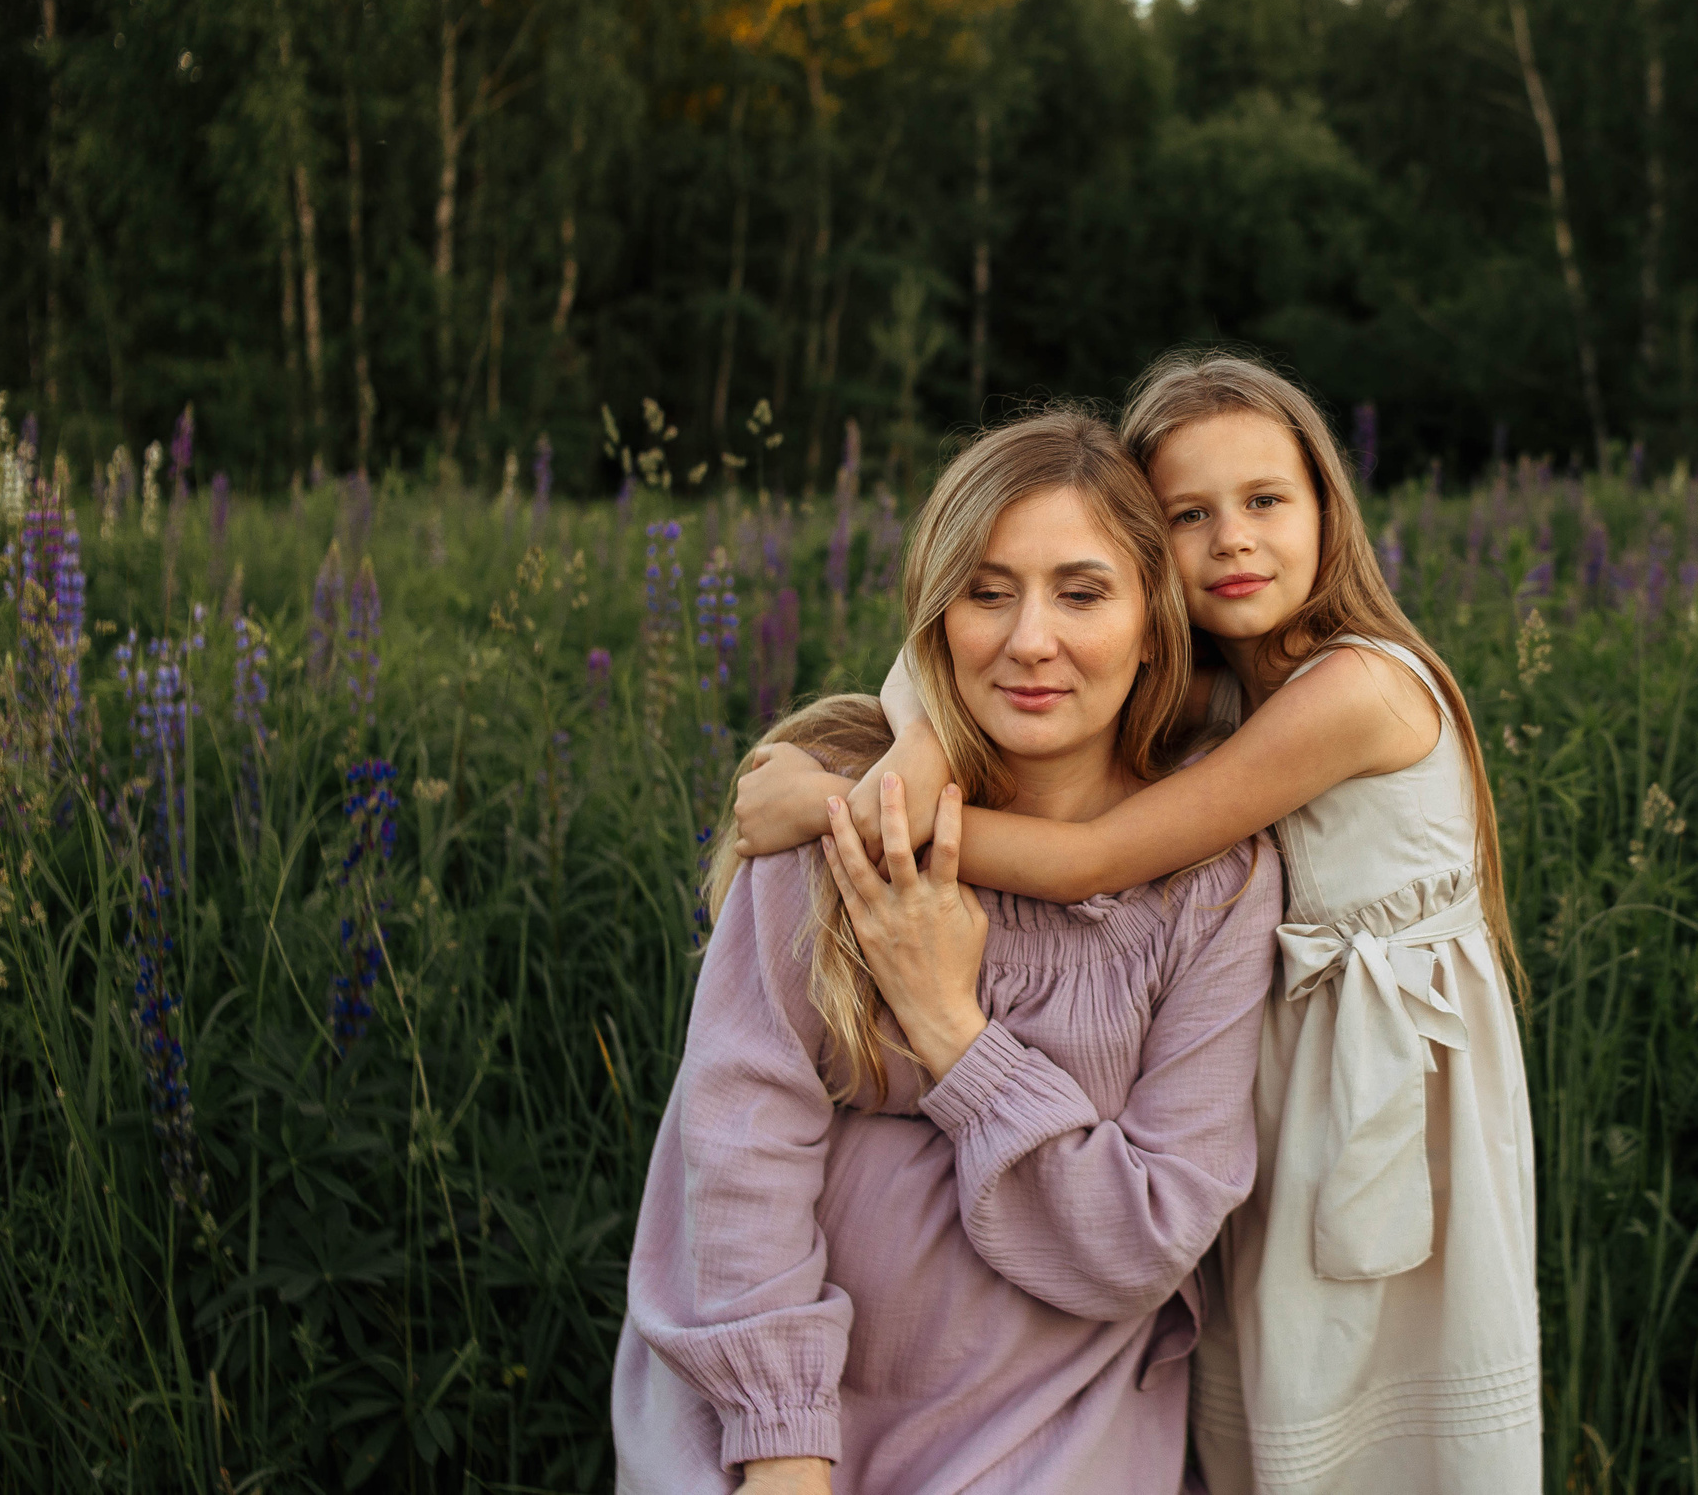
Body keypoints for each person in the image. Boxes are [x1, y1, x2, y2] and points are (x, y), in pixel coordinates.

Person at [735, 353, 1542, 1494]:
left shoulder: (1355, 687)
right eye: (1188, 516)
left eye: (1266, 501)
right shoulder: (1213, 680)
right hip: (1270, 1067)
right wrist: (902, 753)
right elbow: (941, 661)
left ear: (1327, 506)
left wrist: (856, 821)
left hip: (1378, 1090)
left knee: (1378, 1405)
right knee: (1260, 1391)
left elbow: (1092, 860)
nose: (1233, 541)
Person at [614, 409, 1284, 1495]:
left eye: (1080, 592)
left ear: (1154, 624)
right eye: (986, 591)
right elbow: (738, 1133)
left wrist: (949, 1029)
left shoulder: (1214, 885)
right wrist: (784, 1446)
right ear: (935, 618)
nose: (1028, 639)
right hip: (772, 1408)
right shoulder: (834, 801)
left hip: (1052, 1432)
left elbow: (1146, 1236)